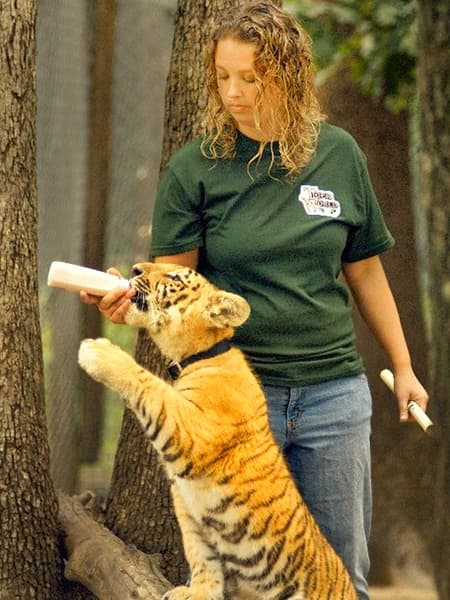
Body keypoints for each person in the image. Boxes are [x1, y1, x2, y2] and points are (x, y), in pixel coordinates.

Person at [81, 2, 429, 598]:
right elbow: (170, 287)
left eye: (251, 78)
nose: (234, 93)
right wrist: (128, 301)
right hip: (238, 403)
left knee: (340, 580)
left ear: (288, 75)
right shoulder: (196, 167)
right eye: (223, 77)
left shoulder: (338, 154)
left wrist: (402, 367)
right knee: (245, 581)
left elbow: (366, 272)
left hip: (334, 398)